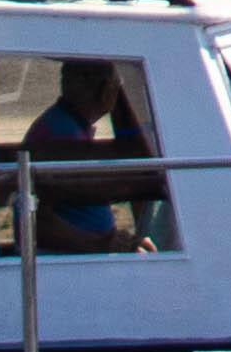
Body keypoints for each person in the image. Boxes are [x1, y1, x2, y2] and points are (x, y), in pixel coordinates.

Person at [14, 60, 165, 257]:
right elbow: (38, 220)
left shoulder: (65, 125)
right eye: (117, 86)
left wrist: (113, 241)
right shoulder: (61, 135)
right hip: (64, 262)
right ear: (105, 90)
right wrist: (99, 246)